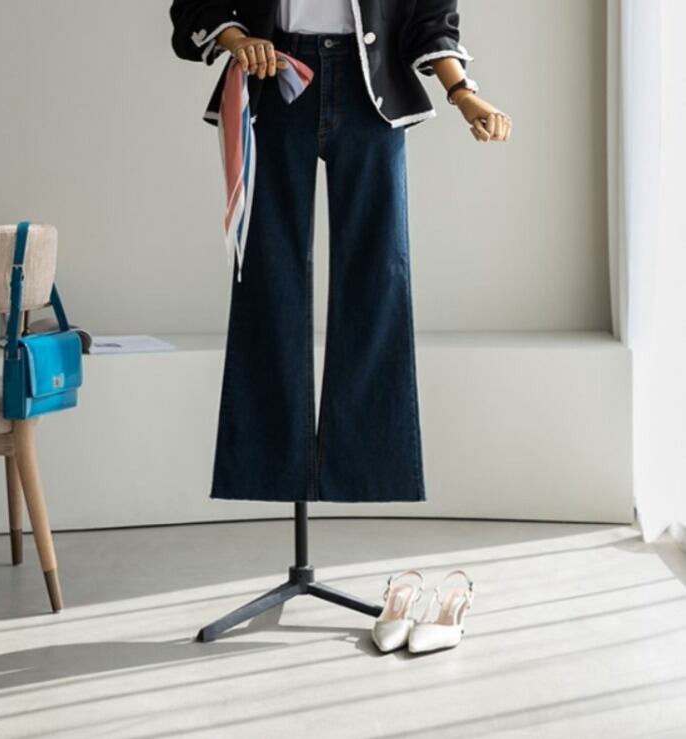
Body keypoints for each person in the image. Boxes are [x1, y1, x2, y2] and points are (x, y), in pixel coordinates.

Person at [170, 0, 512, 504]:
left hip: (371, 94)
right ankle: (267, 472)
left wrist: (463, 93)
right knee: (267, 279)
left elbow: (430, 15)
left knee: (378, 282)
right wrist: (238, 40)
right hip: (274, 79)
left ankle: (368, 473)